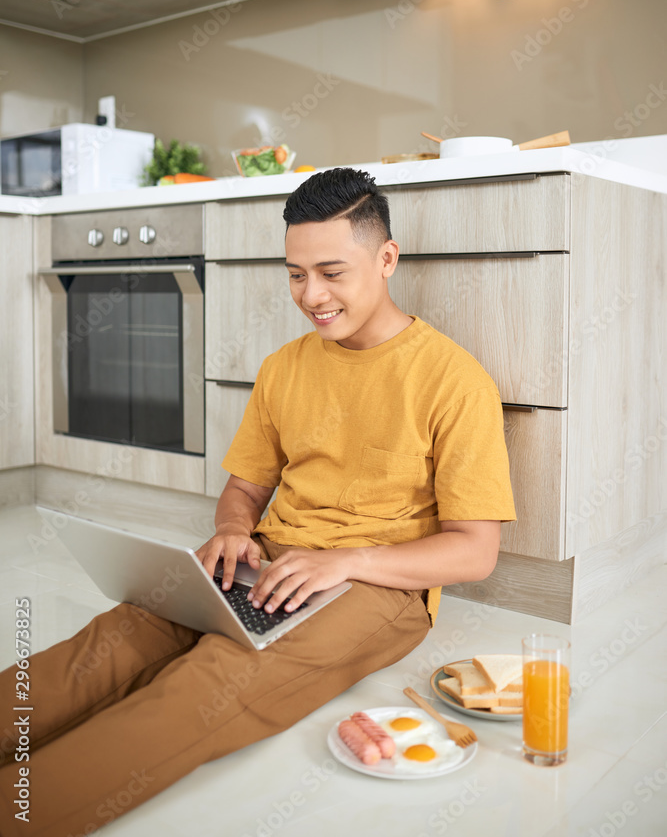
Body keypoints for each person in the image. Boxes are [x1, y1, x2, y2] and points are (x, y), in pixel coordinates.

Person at [0, 168, 515, 836]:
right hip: (266, 562)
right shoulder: (285, 366)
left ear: (386, 258)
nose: (311, 295)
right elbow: (244, 489)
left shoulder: (453, 379)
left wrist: (345, 561)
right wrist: (233, 531)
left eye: (331, 272)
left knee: (206, 684)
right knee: (116, 639)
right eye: (296, 274)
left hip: (379, 587)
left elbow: (474, 551)